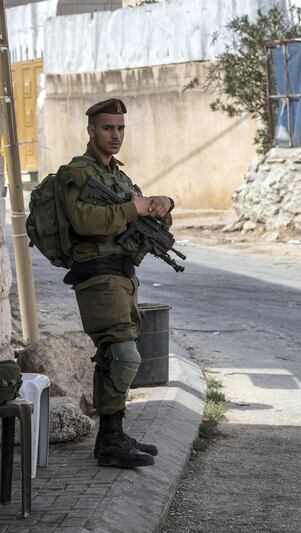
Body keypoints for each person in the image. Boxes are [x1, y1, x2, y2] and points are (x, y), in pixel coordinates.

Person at [59, 98, 174, 468]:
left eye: (121, 128)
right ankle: (110, 441)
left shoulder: (119, 178)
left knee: (113, 357)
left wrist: (161, 205)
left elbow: (142, 221)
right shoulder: (76, 173)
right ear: (91, 129)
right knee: (125, 355)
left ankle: (112, 435)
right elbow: (84, 221)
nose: (116, 135)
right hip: (96, 275)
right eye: (108, 128)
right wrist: (133, 208)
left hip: (122, 275)